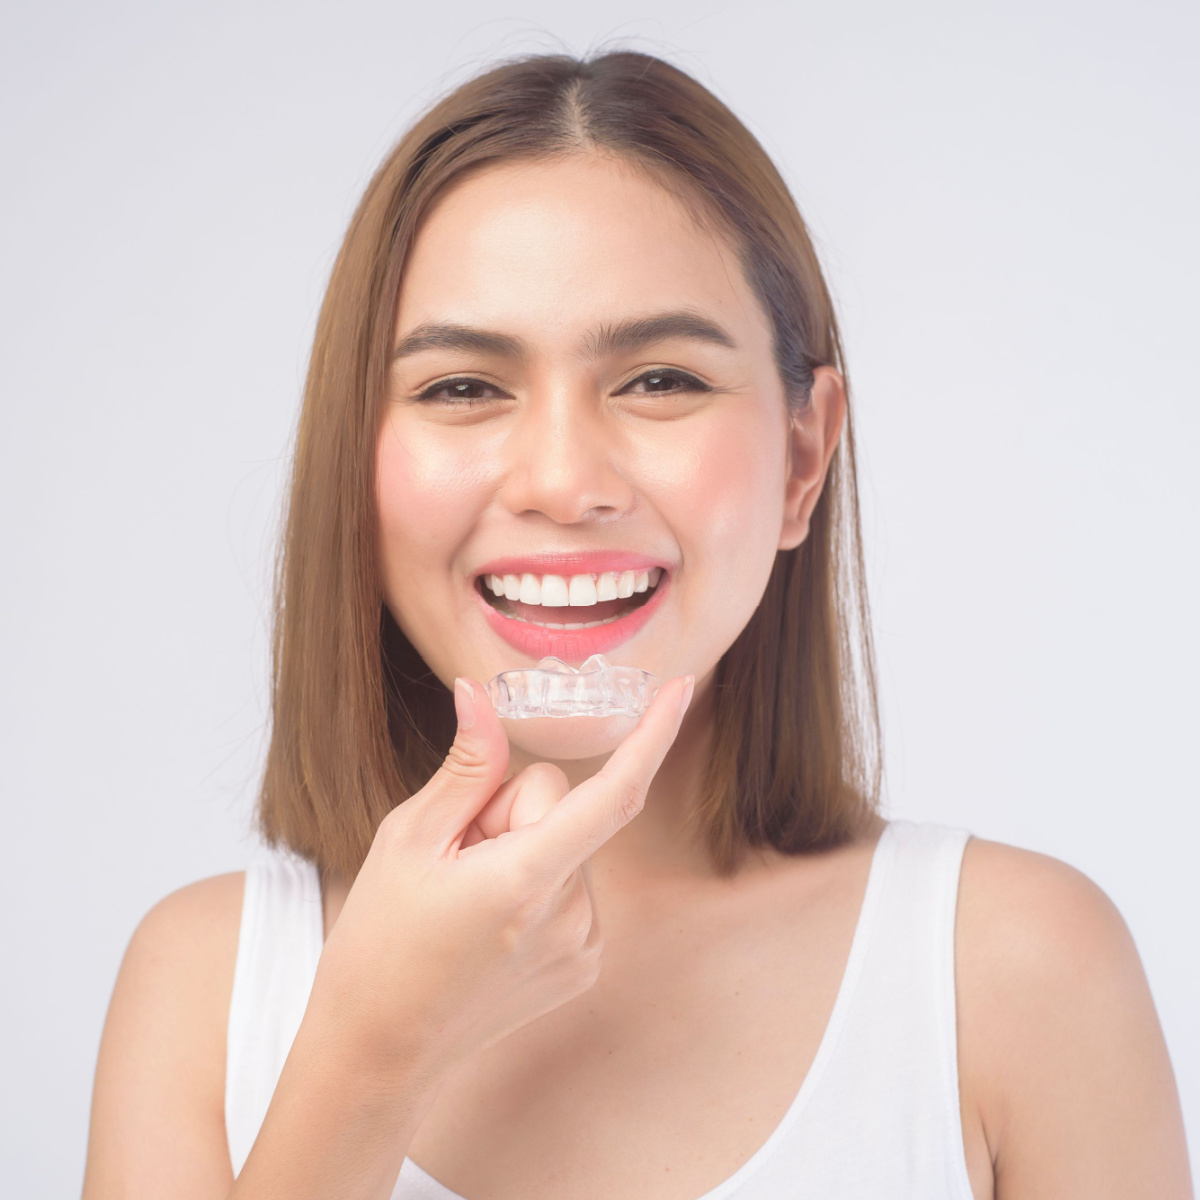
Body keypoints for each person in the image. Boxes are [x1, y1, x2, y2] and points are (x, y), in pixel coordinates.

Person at [81, 50, 1193, 1200]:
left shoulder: (1019, 973)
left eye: (660, 379)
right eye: (463, 387)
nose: (565, 482)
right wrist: (370, 1057)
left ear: (804, 457)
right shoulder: (204, 988)